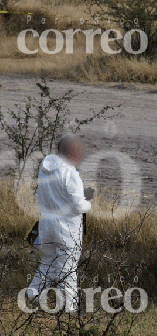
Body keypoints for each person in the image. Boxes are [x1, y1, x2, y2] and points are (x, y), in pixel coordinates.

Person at [26, 134, 94, 313]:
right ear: (71, 151)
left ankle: (33, 294)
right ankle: (69, 307)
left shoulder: (45, 167)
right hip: (67, 227)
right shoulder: (70, 173)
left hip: (46, 224)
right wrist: (89, 202)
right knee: (68, 267)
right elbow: (79, 205)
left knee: (47, 261)